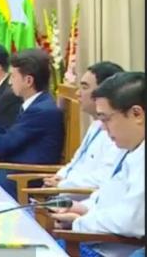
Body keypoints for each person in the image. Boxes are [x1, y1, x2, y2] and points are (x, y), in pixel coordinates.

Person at [50, 72, 145, 257]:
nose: (102, 127)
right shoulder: (130, 148)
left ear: (136, 114)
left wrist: (79, 223)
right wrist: (83, 208)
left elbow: (131, 220)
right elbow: (107, 196)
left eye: (106, 118)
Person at [0, 48, 64, 198]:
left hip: (24, 179)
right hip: (14, 171)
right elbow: (7, 136)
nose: (10, 81)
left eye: (13, 76)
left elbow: (4, 145)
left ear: (28, 81)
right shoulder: (35, 104)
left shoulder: (41, 110)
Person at [43, 62, 125, 190]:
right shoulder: (96, 125)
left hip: (81, 198)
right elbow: (75, 162)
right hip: (65, 193)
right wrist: (59, 177)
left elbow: (104, 177)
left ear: (104, 92)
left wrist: (63, 184)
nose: (77, 93)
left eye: (85, 87)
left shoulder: (118, 132)